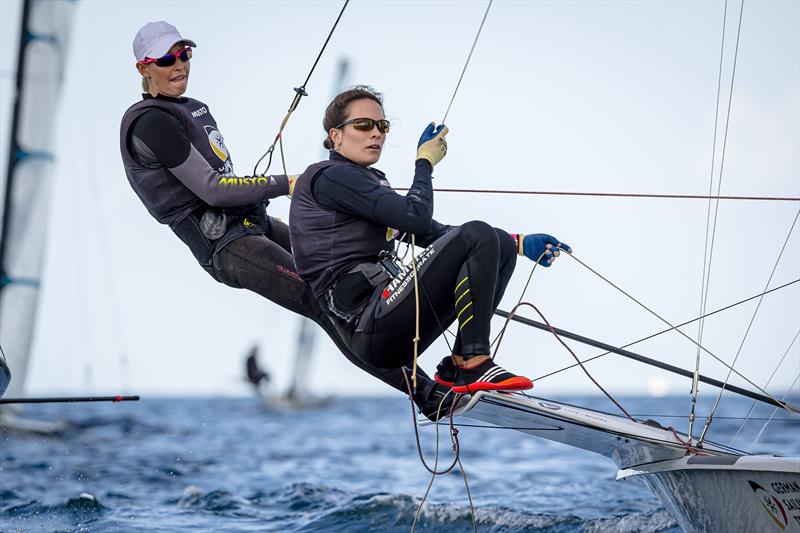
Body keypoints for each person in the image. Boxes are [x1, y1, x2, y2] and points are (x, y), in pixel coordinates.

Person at [119, 22, 450, 417]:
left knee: (350, 257)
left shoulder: (188, 109)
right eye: (167, 59)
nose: (180, 65)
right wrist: (288, 183)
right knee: (322, 301)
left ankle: (458, 364)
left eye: (185, 54)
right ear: (144, 68)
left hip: (251, 225)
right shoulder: (151, 122)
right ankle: (427, 394)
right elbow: (211, 189)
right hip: (226, 246)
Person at [290, 86, 571, 393]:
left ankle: (460, 364)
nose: (376, 134)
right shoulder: (331, 176)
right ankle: (475, 363)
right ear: (336, 134)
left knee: (495, 241)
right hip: (366, 325)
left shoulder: (361, 182)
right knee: (477, 232)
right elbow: (415, 218)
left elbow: (429, 233)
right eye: (364, 125)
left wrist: (518, 243)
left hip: (386, 318)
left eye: (382, 126)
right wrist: (424, 164)